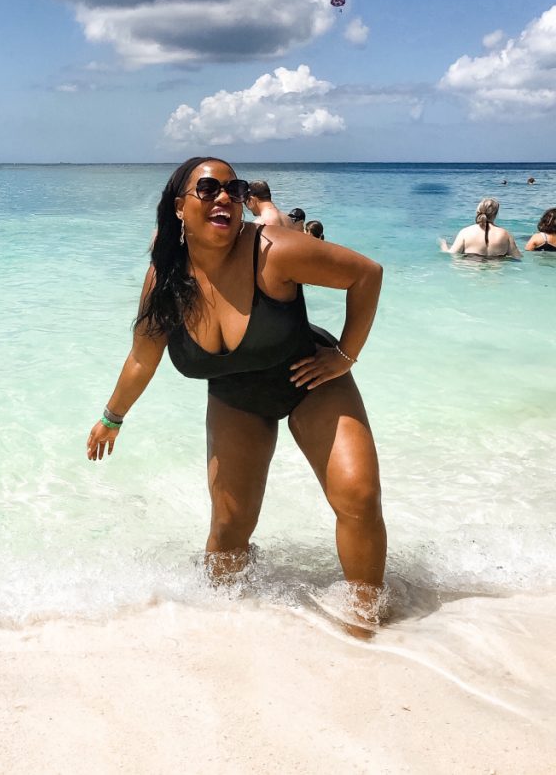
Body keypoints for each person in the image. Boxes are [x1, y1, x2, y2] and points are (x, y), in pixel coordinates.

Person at [86, 157, 387, 621]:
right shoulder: (165, 279)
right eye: (207, 189)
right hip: (236, 395)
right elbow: (143, 357)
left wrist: (345, 356)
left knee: (358, 497)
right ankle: (223, 623)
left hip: (310, 380)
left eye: (234, 187)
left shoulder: (273, 250)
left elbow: (366, 274)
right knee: (229, 528)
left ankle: (367, 621)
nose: (224, 196)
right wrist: (112, 417)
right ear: (179, 208)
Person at [439, 197, 522, 258]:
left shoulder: (465, 232)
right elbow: (517, 257)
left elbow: (452, 254)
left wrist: (443, 244)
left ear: (477, 212)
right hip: (496, 277)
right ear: (495, 214)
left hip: (471, 274)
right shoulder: (505, 234)